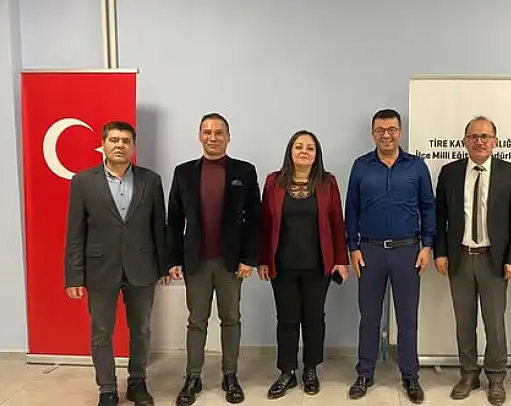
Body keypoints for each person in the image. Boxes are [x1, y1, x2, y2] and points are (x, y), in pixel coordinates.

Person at [64, 121, 169, 406]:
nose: (120, 145)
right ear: (103, 144)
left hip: (142, 267)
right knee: (101, 332)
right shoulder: (83, 181)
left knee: (142, 330)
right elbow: (75, 232)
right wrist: (74, 276)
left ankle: (137, 382)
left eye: (125, 141)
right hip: (100, 269)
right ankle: (107, 388)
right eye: (114, 140)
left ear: (133, 146)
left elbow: (159, 227)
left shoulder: (151, 180)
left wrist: (163, 266)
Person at [167, 113, 261, 405]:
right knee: (196, 321)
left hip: (230, 263)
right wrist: (173, 259)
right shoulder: (183, 172)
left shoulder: (244, 171)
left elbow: (255, 218)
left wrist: (249, 259)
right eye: (207, 132)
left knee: (231, 319)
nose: (212, 137)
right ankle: (192, 377)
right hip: (195, 261)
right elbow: (174, 220)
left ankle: (230, 375)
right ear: (199, 136)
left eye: (219, 132)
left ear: (228, 138)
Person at [434, 116, 511, 405]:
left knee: (494, 324)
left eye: (485, 136)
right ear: (464, 141)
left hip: (495, 262)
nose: (479, 141)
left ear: (495, 142)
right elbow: (439, 217)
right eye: (473, 136)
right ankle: (468, 374)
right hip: (460, 259)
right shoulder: (450, 173)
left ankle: (496, 377)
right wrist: (440, 252)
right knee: (464, 322)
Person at [345, 108, 435, 404]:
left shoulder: (416, 167)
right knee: (369, 316)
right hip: (369, 251)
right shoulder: (361, 166)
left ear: (400, 132)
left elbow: (428, 206)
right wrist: (352, 247)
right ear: (373, 134)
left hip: (408, 251)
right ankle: (365, 373)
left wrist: (427, 246)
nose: (386, 135)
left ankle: (410, 375)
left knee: (407, 318)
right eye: (380, 130)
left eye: (392, 129)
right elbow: (352, 209)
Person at [258, 130, 349, 399]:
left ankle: (310, 369)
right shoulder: (274, 182)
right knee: (286, 319)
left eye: (310, 148)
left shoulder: (327, 182)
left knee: (314, 318)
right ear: (290, 151)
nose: (304, 152)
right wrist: (262, 259)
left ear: (316, 154)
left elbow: (337, 223)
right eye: (299, 147)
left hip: (318, 265)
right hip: (282, 265)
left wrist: (341, 260)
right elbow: (265, 224)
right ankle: (287, 372)